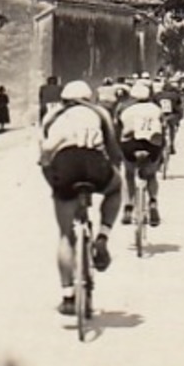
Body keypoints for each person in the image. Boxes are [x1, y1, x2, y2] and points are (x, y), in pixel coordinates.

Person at [39, 80, 124, 316]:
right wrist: (112, 170)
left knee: (66, 235)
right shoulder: (100, 113)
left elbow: (44, 157)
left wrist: (56, 187)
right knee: (116, 188)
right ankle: (103, 237)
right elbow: (115, 153)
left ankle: (67, 296)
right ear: (89, 99)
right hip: (94, 162)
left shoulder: (52, 117)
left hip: (64, 166)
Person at [116, 82, 167, 227]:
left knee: (128, 174)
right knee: (151, 175)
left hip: (131, 145)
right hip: (151, 146)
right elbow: (163, 129)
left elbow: (118, 130)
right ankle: (153, 202)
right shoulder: (156, 109)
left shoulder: (125, 109)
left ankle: (128, 206)